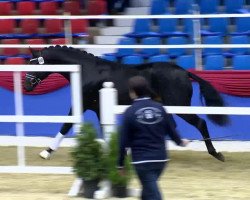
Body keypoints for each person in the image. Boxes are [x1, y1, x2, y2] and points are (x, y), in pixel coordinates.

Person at [117, 76, 189, 200]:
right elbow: (171, 130)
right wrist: (181, 142)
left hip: (142, 161)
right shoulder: (160, 108)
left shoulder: (129, 112)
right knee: (148, 191)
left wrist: (120, 164)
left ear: (133, 92)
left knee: (153, 194)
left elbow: (123, 141)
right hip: (161, 160)